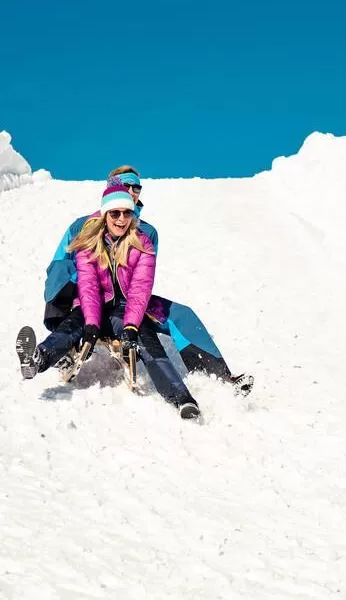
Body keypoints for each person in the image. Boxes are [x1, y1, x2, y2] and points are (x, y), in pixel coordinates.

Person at [42, 165, 253, 394]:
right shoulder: (82, 226)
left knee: (181, 314)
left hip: (127, 303)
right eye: (126, 186)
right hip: (85, 299)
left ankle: (220, 377)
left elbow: (142, 281)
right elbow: (58, 271)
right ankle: (66, 347)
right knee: (65, 270)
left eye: (137, 187)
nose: (132, 191)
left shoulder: (147, 233)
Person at [20, 183, 201, 420]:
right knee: (75, 324)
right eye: (115, 213)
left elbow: (140, 289)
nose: (121, 219)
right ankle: (38, 358)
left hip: (125, 309)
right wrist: (93, 324)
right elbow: (89, 287)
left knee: (147, 341)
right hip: (95, 306)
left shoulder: (142, 244)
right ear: (105, 215)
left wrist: (131, 326)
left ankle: (183, 399)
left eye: (127, 213)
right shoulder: (89, 244)